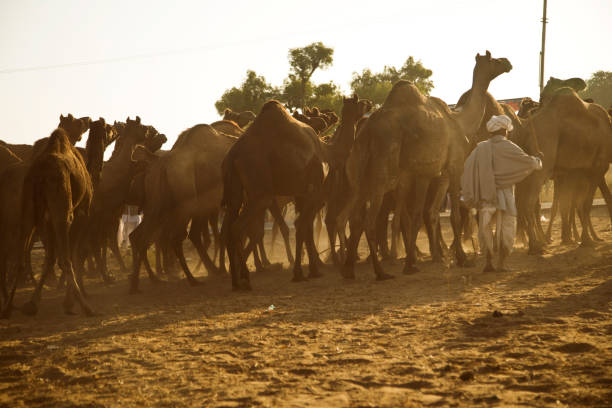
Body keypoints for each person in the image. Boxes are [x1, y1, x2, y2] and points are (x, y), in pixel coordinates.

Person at [461, 115, 542, 272]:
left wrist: (469, 193)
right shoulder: (509, 146)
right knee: (506, 227)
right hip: (504, 194)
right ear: (505, 130)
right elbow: (528, 163)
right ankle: (501, 264)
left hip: (485, 195)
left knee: (484, 228)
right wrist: (538, 159)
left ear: (491, 131)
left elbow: (467, 169)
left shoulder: (480, 148)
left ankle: (488, 263)